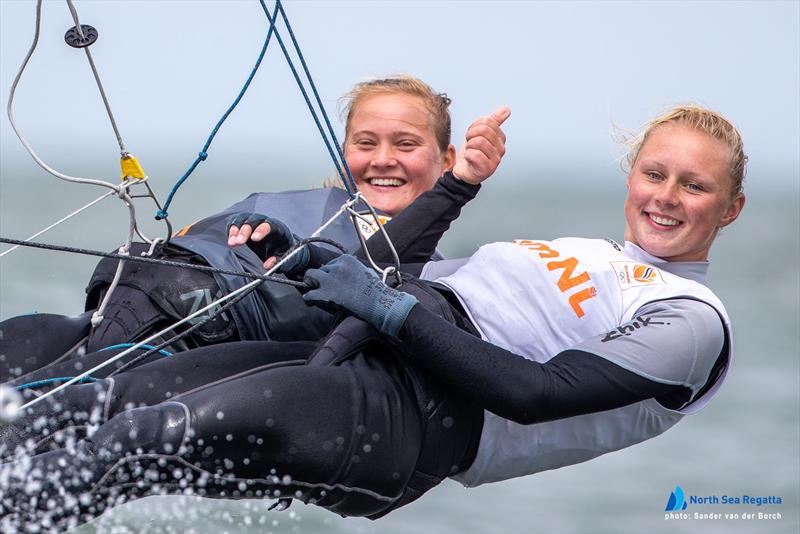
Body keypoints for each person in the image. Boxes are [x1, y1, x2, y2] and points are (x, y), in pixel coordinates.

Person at [0, 104, 743, 530]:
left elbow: (536, 395)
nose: (666, 197)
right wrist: (311, 264)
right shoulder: (584, 251)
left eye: (694, 186)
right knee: (99, 404)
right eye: (654, 174)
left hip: (412, 419)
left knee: (143, 435)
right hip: (352, 358)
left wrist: (389, 309)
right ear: (632, 175)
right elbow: (395, 275)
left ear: (731, 208)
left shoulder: (690, 318)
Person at [0, 75, 496, 385]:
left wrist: (458, 186)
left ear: (445, 158)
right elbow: (372, 268)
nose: (383, 159)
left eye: (405, 143)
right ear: (344, 152)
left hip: (149, 313)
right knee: (44, 405)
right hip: (169, 305)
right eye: (366, 142)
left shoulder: (405, 253)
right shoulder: (341, 218)